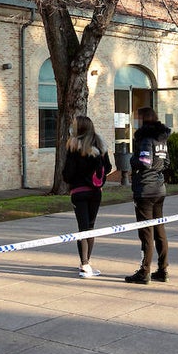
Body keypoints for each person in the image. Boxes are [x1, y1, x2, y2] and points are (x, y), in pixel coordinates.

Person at [61, 115, 113, 278]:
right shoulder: (100, 145)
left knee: (82, 228)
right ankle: (86, 262)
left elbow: (68, 174)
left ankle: (84, 264)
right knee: (90, 227)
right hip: (96, 192)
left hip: (79, 192)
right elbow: (109, 167)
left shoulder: (73, 146)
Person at [125, 106, 171, 285]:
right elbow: (166, 162)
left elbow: (145, 161)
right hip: (159, 189)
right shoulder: (162, 139)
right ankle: (163, 269)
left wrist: (131, 159)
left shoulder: (145, 138)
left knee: (146, 232)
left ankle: (144, 272)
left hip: (145, 189)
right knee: (159, 230)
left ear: (143, 120)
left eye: (136, 118)